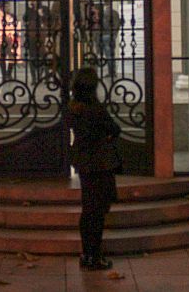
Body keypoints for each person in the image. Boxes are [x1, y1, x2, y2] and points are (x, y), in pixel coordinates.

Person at [66, 67, 120, 271]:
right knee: (97, 211)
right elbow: (114, 129)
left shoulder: (73, 107)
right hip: (100, 163)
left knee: (88, 209)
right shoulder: (96, 109)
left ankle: (87, 254)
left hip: (84, 162)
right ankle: (95, 256)